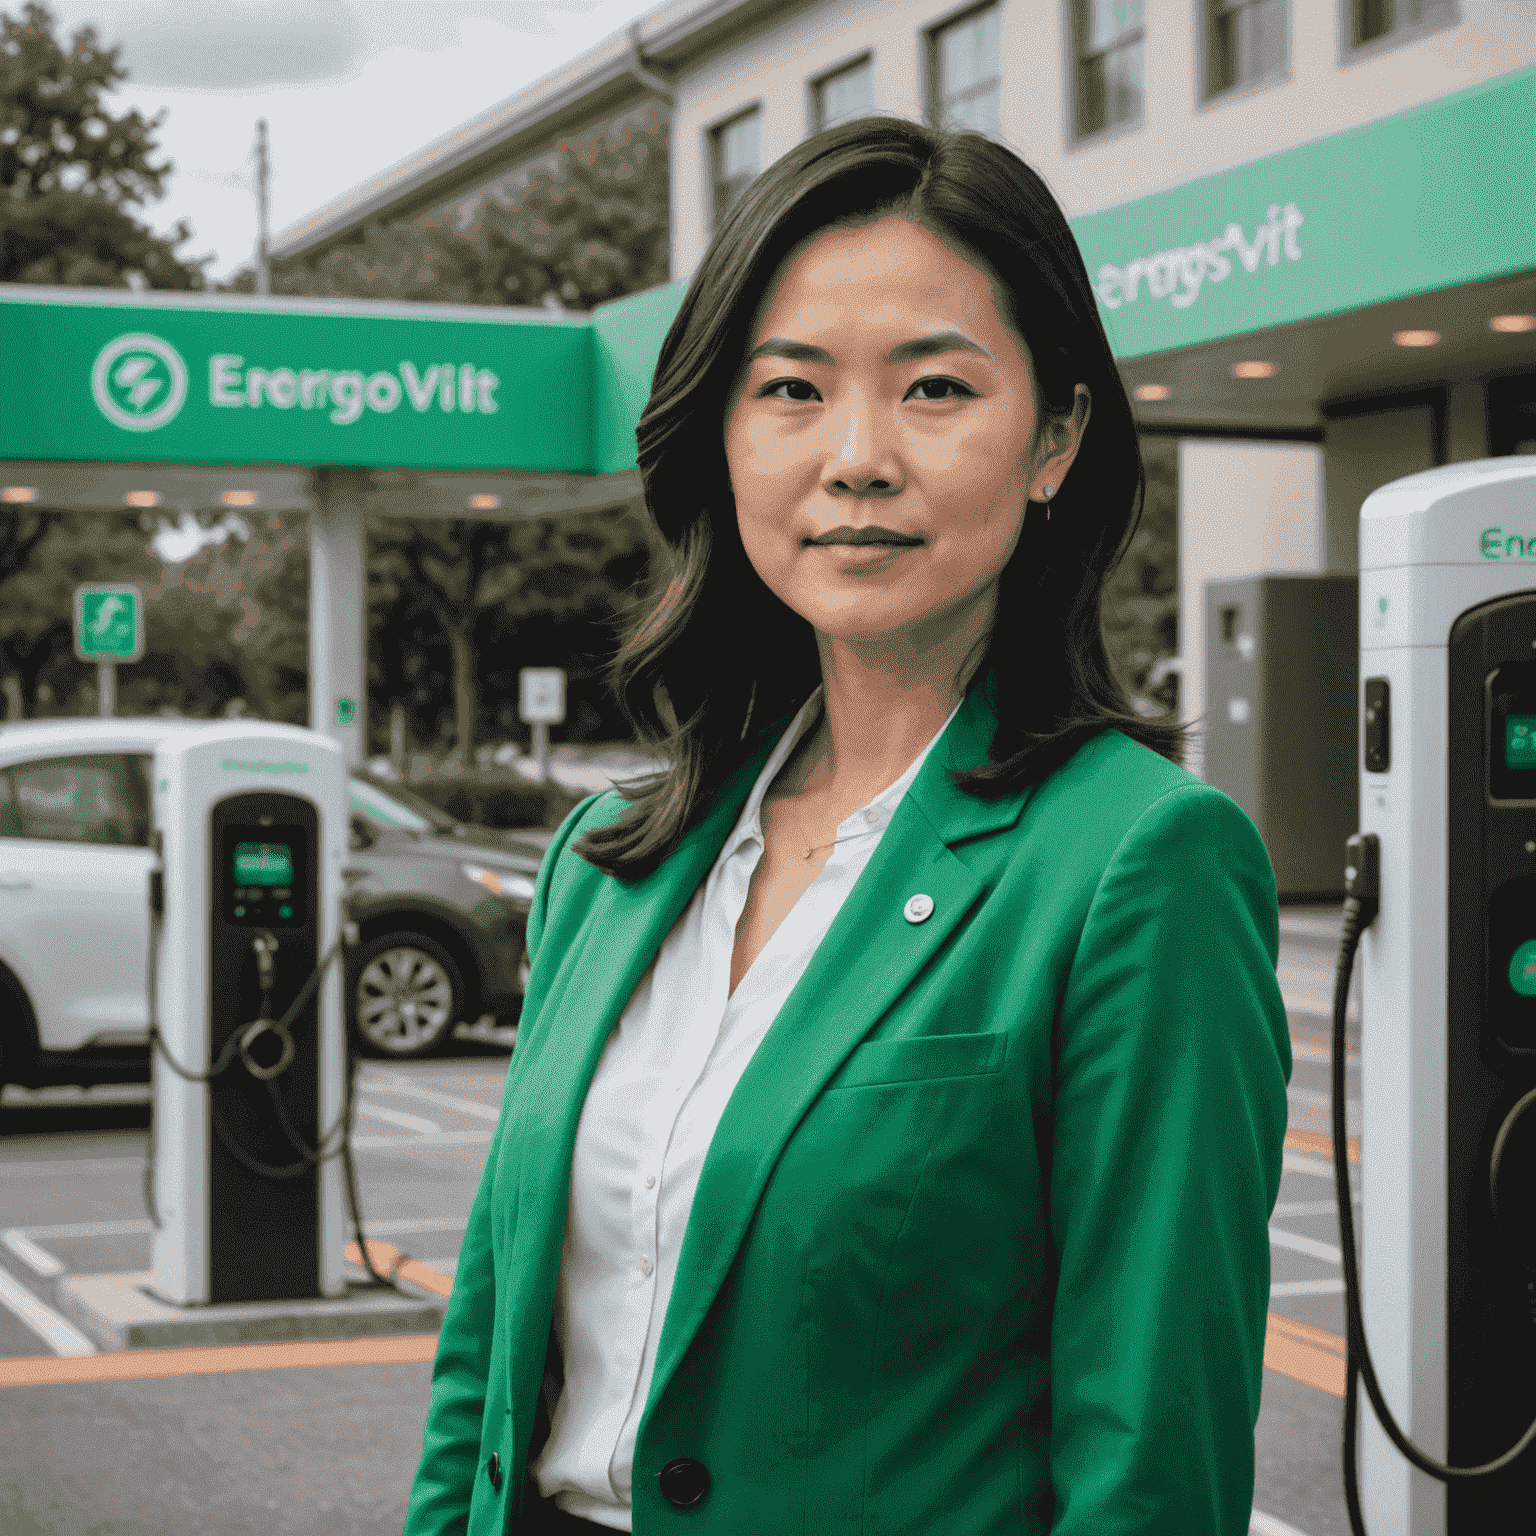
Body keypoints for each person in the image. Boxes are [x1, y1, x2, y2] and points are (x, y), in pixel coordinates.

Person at [404, 114, 1291, 1536]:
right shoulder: (607, 865)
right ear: (725, 432)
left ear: (1056, 435)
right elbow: (489, 1365)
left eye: (935, 388)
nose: (859, 457)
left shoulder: (1139, 863)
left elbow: (1154, 1457)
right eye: (792, 390)